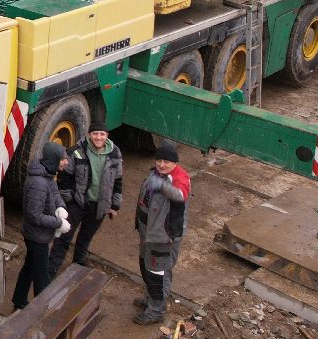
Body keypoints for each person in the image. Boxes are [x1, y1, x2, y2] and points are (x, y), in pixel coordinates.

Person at [49, 123, 124, 275]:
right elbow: (64, 178)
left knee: (86, 237)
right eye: (95, 134)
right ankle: (51, 269)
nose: (99, 137)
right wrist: (70, 202)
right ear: (89, 135)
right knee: (64, 236)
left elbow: (118, 180)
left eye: (102, 134)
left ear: (107, 136)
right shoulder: (76, 151)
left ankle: (78, 263)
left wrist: (115, 205)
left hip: (100, 206)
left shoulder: (115, 153)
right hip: (77, 204)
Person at [134, 141, 190, 325]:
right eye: (159, 160)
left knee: (158, 274)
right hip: (148, 232)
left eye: (166, 161)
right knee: (146, 266)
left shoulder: (178, 178)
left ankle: (156, 311)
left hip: (163, 237)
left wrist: (161, 186)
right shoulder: (157, 174)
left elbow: (180, 195)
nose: (161, 164)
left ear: (175, 162)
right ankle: (151, 298)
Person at [12, 142, 71, 311]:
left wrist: (60, 207)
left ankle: (19, 300)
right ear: (54, 160)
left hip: (39, 234)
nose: (66, 162)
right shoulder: (38, 183)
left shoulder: (47, 174)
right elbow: (34, 215)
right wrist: (59, 223)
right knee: (42, 277)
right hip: (36, 237)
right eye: (63, 159)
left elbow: (55, 193)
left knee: (30, 267)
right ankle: (43, 312)